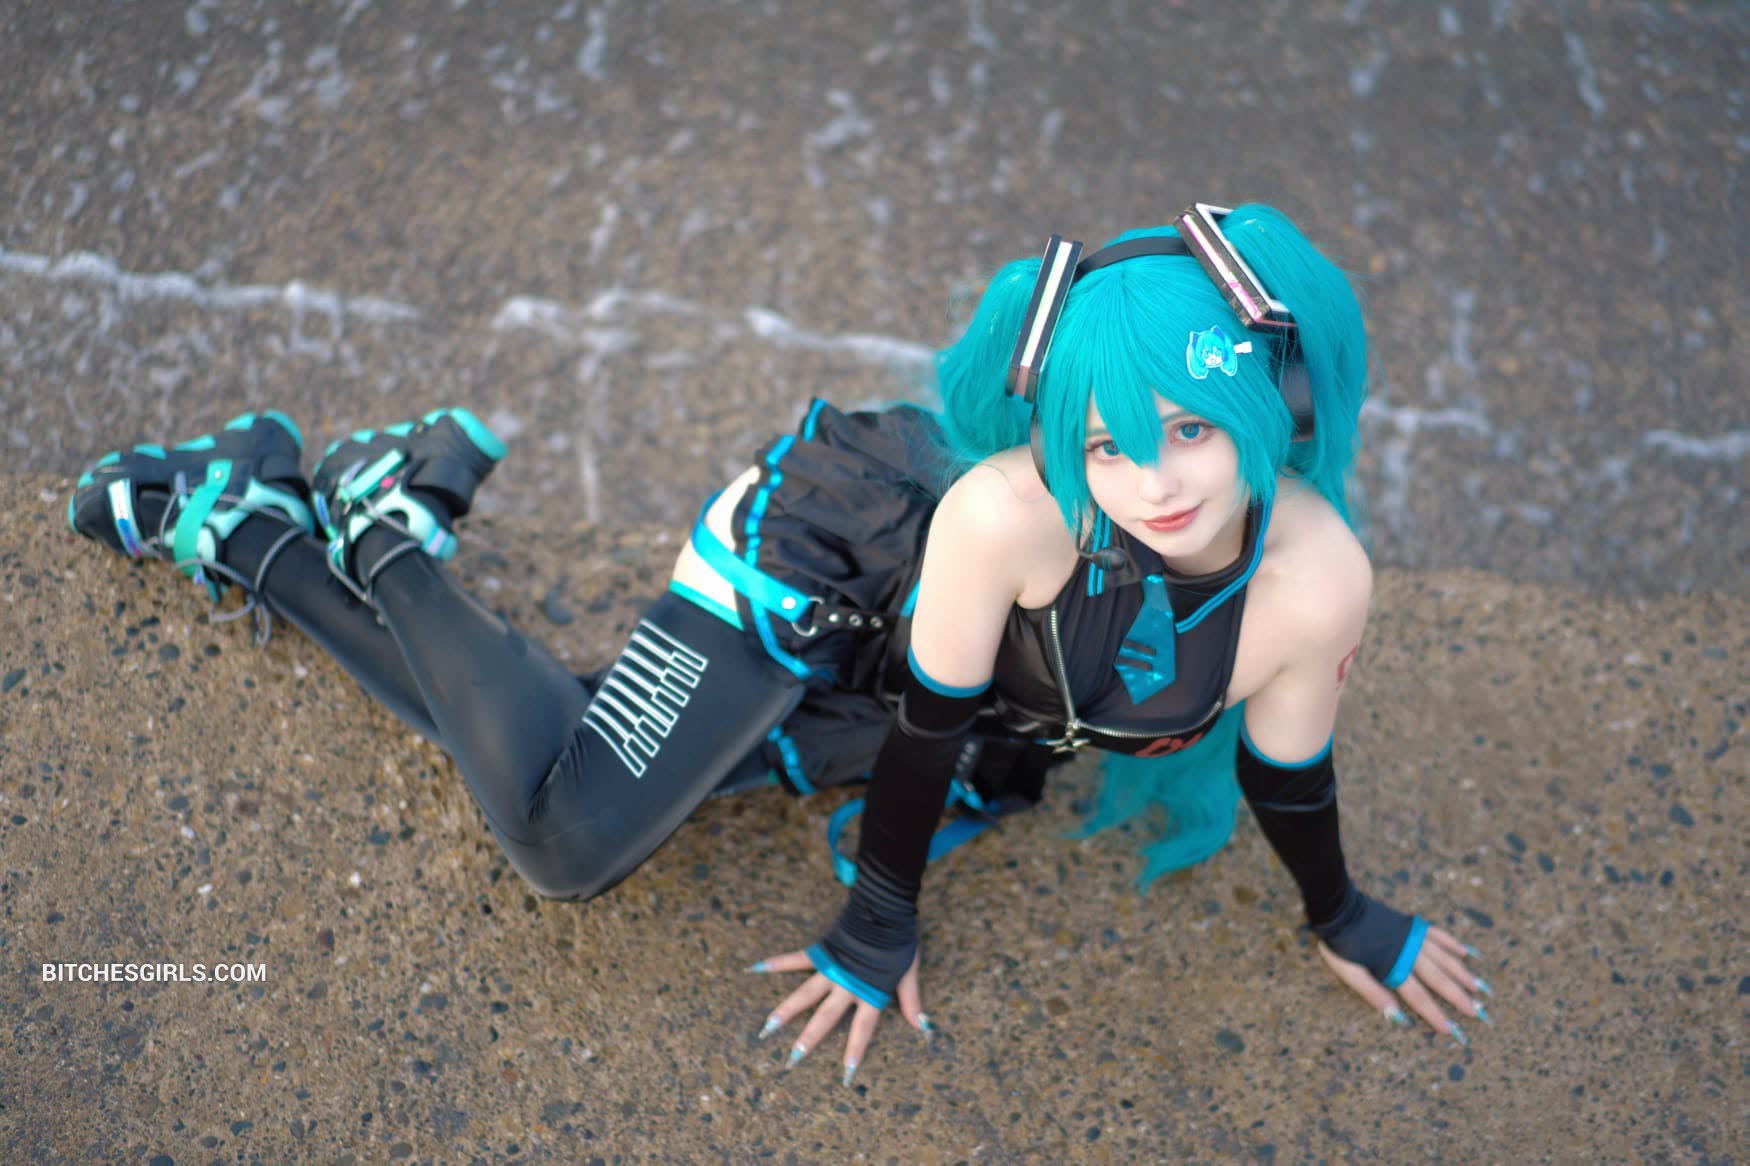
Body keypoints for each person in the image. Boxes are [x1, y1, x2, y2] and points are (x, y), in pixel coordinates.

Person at [68, 202, 1489, 1088]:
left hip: (931, 679)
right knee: (569, 837)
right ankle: (375, 527)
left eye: (1189, 430)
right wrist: (878, 920)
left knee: (577, 753)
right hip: (814, 569)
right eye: (1109, 446)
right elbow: (929, 723)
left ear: (1272, 402)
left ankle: (260, 519)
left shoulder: (1319, 580)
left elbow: (1286, 772)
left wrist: (1341, 914)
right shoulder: (1008, 513)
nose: (1155, 483)